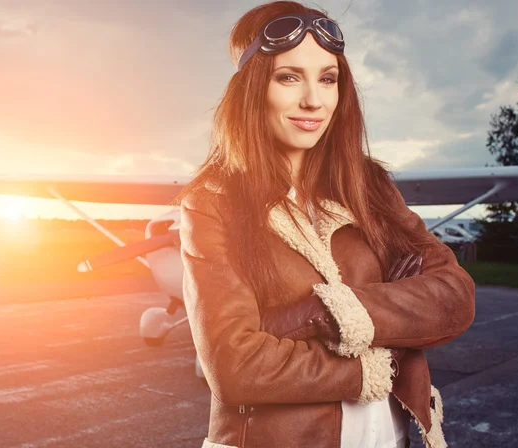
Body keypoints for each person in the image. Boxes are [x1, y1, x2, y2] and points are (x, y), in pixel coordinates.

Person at [177, 2, 475, 447]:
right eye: (289, 77)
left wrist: (319, 314)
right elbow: (235, 368)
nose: (313, 100)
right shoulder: (211, 203)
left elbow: (454, 295)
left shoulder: (370, 186)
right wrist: (370, 364)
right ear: (254, 88)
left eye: (328, 78)